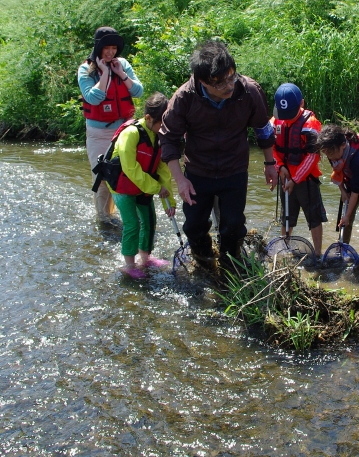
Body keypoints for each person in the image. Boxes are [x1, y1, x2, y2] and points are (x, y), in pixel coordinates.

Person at [158, 40, 277, 268]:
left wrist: (269, 162)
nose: (228, 86)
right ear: (202, 81)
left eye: (231, 77)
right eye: (219, 82)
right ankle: (204, 261)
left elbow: (262, 127)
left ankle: (230, 266)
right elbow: (169, 138)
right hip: (197, 172)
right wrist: (180, 181)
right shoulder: (184, 98)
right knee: (193, 226)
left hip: (234, 169)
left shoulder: (248, 91)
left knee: (233, 225)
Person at [77, 27, 143, 222]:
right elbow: (93, 98)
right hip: (98, 133)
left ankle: (130, 217)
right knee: (102, 177)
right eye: (107, 47)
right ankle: (104, 219)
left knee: (128, 172)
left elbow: (138, 91)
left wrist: (121, 73)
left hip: (124, 130)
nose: (111, 52)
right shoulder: (85, 69)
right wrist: (105, 73)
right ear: (98, 48)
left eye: (114, 48)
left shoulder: (122, 64)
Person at [108, 93, 176, 279]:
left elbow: (163, 170)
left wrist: (169, 201)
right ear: (148, 118)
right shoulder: (130, 134)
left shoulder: (158, 136)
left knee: (149, 220)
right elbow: (130, 168)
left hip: (144, 185)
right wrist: (155, 188)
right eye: (162, 123)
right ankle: (129, 265)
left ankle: (145, 258)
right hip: (121, 185)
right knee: (132, 223)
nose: (165, 128)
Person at [270, 83, 326, 257]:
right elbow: (271, 148)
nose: (286, 118)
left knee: (314, 218)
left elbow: (313, 156)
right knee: (286, 216)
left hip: (306, 180)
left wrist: (296, 178)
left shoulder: (311, 123)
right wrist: (280, 167)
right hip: (285, 176)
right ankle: (284, 250)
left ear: (301, 103)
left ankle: (317, 254)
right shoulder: (275, 121)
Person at [316, 124, 359, 250]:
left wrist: (347, 216)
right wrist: (342, 191)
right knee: (345, 219)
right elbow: (338, 173)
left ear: (343, 145)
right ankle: (342, 248)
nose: (330, 157)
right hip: (351, 180)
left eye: (331, 153)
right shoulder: (332, 151)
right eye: (326, 153)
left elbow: (356, 191)